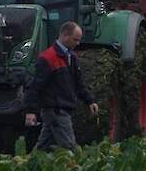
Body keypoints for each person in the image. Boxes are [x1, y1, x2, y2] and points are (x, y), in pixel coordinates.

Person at [23, 21, 99, 151]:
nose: (78, 43)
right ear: (65, 35)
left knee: (43, 148)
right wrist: (31, 111)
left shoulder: (72, 57)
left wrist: (89, 101)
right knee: (70, 149)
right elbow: (36, 87)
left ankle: (29, 167)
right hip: (56, 111)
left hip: (62, 109)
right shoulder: (48, 58)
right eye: (75, 40)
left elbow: (78, 84)